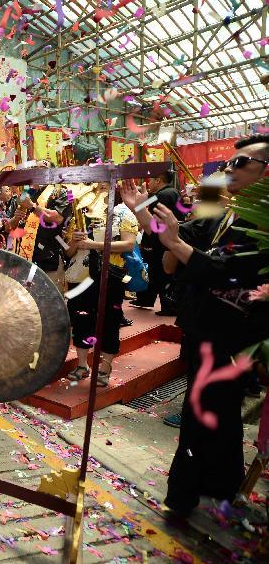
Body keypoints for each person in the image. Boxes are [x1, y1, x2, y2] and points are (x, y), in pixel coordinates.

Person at [121, 135, 269, 517]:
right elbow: (181, 238)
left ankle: (183, 496)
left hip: (234, 335)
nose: (228, 169)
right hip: (207, 328)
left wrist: (178, 245)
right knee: (218, 414)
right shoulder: (224, 212)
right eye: (229, 162)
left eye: (240, 163)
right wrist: (142, 212)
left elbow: (228, 273)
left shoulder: (263, 224)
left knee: (200, 413)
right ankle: (220, 482)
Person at [65, 188, 139, 387]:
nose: (98, 188)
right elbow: (69, 252)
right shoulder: (81, 212)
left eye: (104, 184)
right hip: (79, 277)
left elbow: (129, 244)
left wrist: (94, 245)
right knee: (80, 318)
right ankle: (82, 365)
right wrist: (73, 242)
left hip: (110, 275)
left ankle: (105, 367)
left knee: (109, 319)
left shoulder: (123, 212)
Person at [10, 160, 72, 291]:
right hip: (24, 257)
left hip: (49, 257)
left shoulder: (60, 192)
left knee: (50, 301)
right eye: (35, 168)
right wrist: (16, 218)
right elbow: (9, 227)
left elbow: (57, 218)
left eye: (42, 167)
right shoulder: (25, 194)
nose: (37, 170)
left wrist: (32, 207)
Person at [129, 170, 183, 316]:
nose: (149, 183)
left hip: (160, 240)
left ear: (158, 180)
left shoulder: (164, 195)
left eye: (151, 180)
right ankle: (146, 300)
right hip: (163, 238)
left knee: (160, 273)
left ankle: (168, 306)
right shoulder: (169, 192)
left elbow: (155, 222)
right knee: (153, 272)